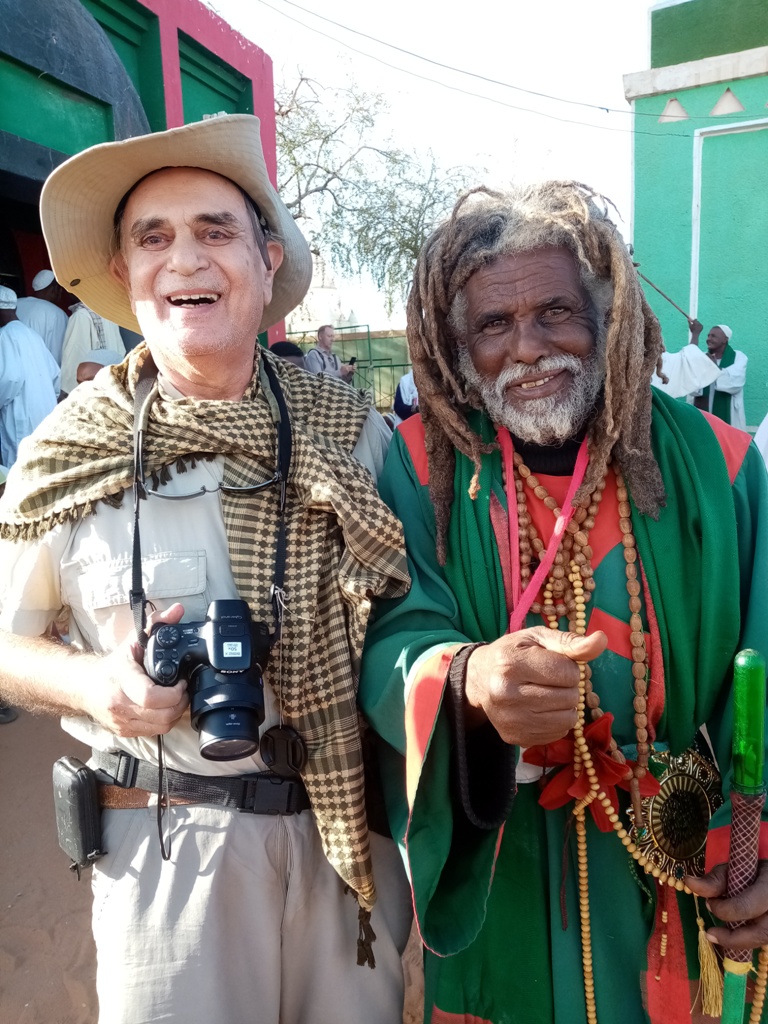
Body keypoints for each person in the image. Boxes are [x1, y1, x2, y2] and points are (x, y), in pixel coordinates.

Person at [0, 114, 412, 1024]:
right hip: (164, 854)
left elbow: (420, 629)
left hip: (346, 840)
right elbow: (5, 644)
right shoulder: (68, 454)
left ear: (268, 262)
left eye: (214, 231)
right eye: (154, 237)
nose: (183, 259)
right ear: (124, 275)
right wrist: (95, 683)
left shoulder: (358, 440)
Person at [358, 182, 768, 1024]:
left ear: (607, 315)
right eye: (494, 325)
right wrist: (467, 681)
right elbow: (393, 629)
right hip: (504, 864)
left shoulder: (719, 466)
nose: (528, 348)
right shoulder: (418, 465)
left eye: (555, 312)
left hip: (684, 864)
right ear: (456, 345)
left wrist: (759, 840)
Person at [0, 286, 60, 466]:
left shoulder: (4, 336)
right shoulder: (32, 335)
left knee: (20, 468)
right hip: (44, 415)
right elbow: (55, 375)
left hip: (19, 417)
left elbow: (10, 378)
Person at [59, 300, 126, 397]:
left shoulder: (80, 316)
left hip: (92, 387)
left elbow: (74, 357)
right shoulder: (107, 312)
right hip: (112, 380)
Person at [689, 323, 748, 430]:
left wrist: (714, 368)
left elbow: (736, 382)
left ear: (725, 340)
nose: (708, 339)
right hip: (703, 417)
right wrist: (695, 334)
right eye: (708, 335)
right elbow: (690, 372)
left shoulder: (738, 357)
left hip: (729, 418)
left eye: (713, 336)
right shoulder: (703, 357)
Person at [650, 318, 721, 399]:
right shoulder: (661, 361)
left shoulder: (659, 360)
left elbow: (686, 360)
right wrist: (695, 334)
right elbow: (687, 362)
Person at [15, 268, 69, 364]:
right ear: (54, 289)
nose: (61, 293)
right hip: (40, 373)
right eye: (60, 288)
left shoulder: (16, 304)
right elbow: (58, 354)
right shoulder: (56, 313)